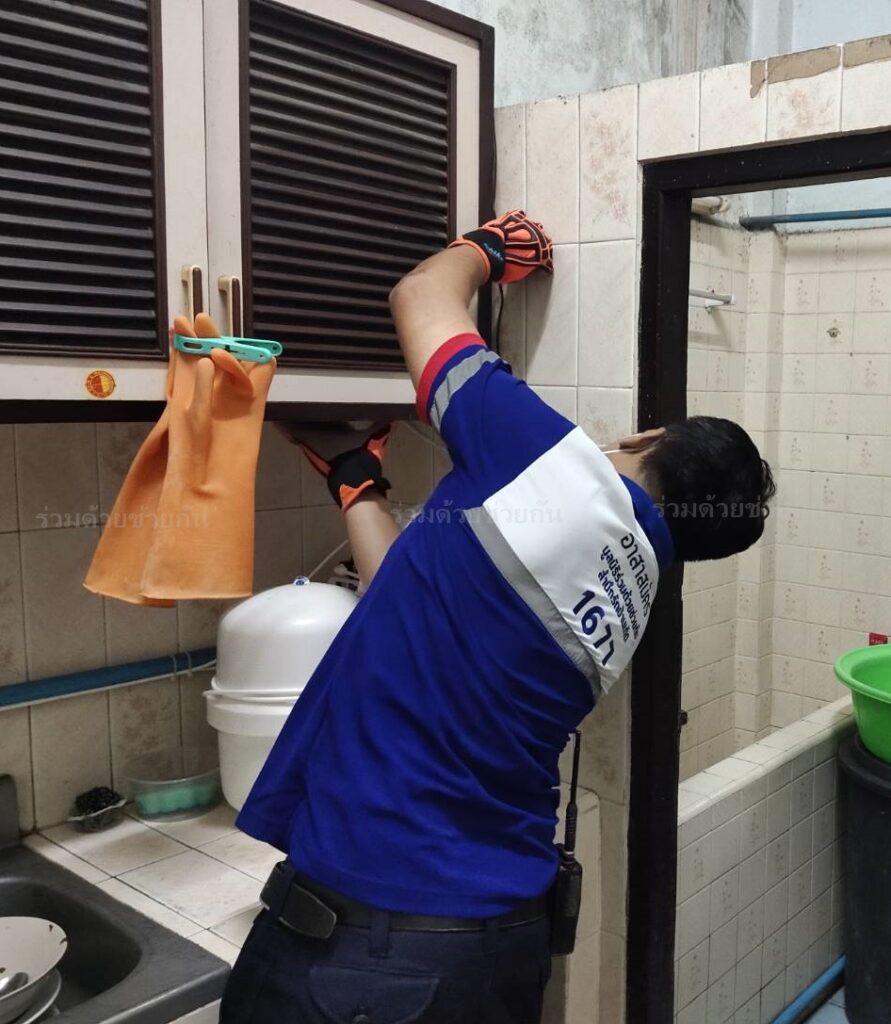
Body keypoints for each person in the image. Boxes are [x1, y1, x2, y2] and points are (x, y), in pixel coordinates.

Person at [220, 211, 775, 1024]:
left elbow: (418, 294)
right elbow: (409, 605)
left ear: (647, 437)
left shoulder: (550, 462)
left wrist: (485, 250)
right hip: (494, 948)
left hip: (368, 951)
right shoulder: (633, 593)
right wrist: (356, 485)